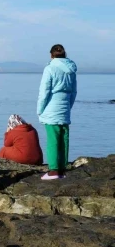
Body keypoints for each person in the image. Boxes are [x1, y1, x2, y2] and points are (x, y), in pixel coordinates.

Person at [37, 44, 77, 180]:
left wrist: (40, 110)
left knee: (52, 139)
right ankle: (62, 168)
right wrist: (68, 106)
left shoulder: (50, 69)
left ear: (51, 55)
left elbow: (44, 92)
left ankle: (53, 170)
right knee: (64, 138)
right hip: (65, 107)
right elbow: (74, 92)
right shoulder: (71, 70)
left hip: (51, 107)